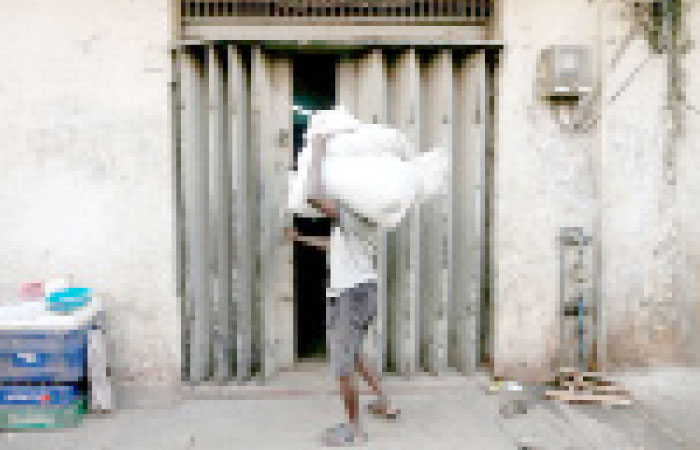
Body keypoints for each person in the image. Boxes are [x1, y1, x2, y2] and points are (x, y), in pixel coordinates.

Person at [289, 131, 400, 447]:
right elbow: (334, 246)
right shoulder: (359, 221)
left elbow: (311, 194)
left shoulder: (355, 214)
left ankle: (356, 430)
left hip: (351, 295)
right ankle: (385, 402)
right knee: (355, 354)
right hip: (359, 292)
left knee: (342, 365)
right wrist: (301, 240)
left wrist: (318, 149)